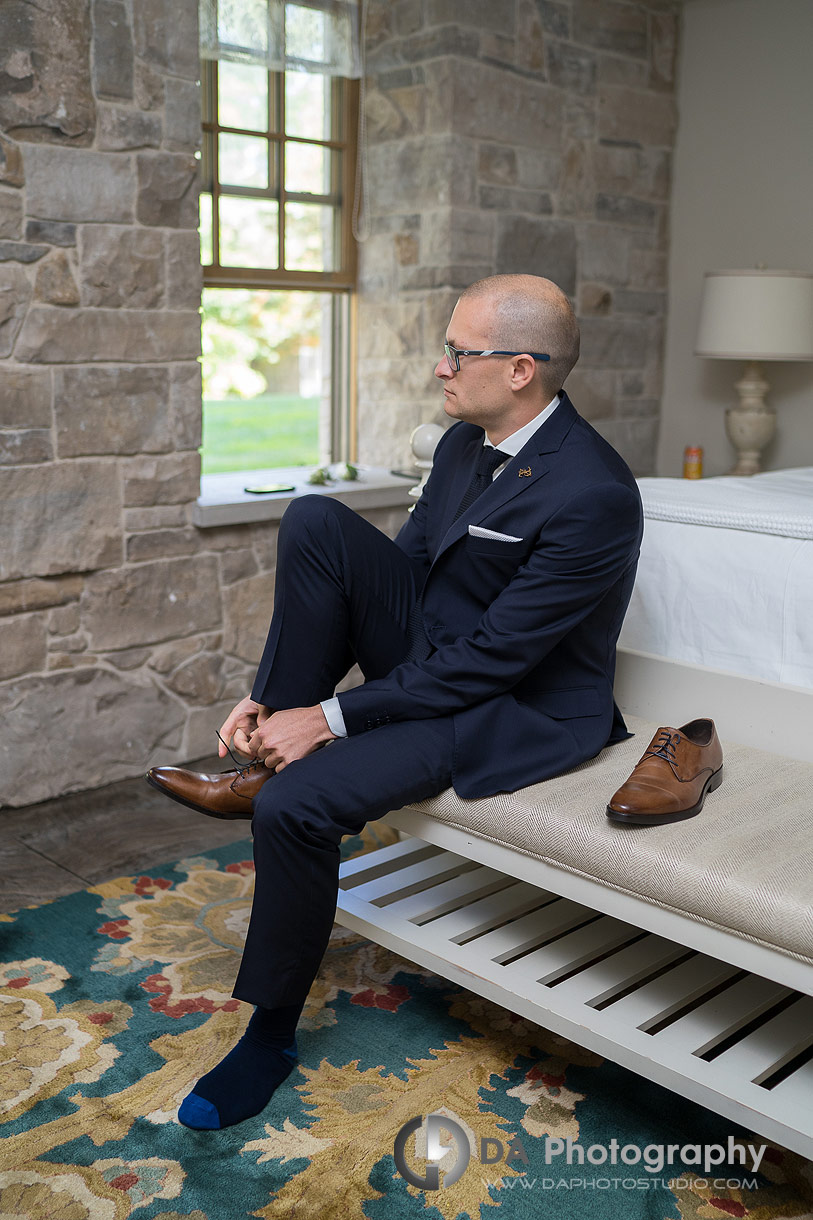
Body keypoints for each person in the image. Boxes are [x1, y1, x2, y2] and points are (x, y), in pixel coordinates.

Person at [147, 273, 644, 1130]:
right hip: (440, 660)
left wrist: (333, 718)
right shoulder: (459, 443)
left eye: (459, 351)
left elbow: (496, 661)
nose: (441, 366)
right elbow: (401, 575)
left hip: (510, 703)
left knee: (300, 808)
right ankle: (264, 747)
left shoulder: (594, 493)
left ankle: (266, 1037)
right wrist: (277, 701)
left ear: (521, 369)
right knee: (315, 519)